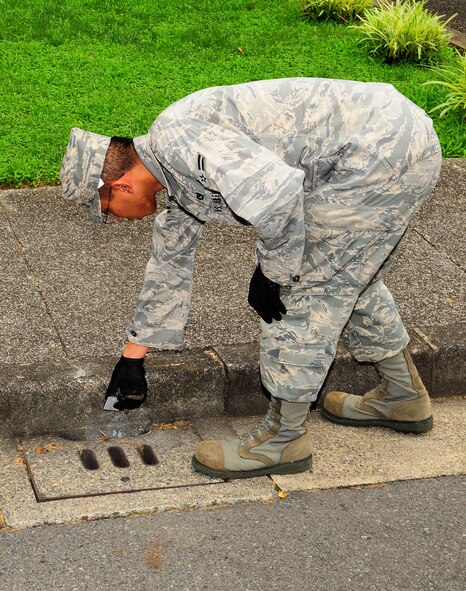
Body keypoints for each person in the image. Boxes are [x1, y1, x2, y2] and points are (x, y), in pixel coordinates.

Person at [60, 77, 441, 480]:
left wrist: (272, 271)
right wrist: (132, 358)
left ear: (120, 185)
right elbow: (168, 265)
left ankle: (283, 441)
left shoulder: (179, 142)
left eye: (107, 210)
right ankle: (402, 396)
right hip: (379, 147)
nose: (114, 219)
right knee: (345, 275)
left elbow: (278, 194)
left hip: (380, 151)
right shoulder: (171, 172)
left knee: (305, 287)